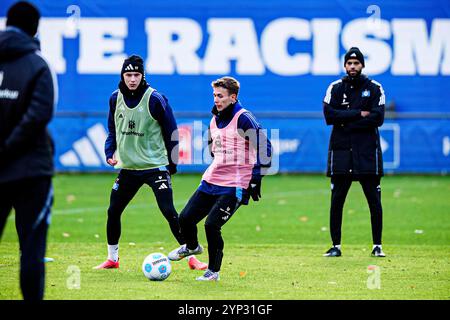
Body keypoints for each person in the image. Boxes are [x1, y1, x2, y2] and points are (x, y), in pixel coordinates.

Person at [93, 54, 206, 270]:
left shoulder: (155, 99)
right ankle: (112, 259)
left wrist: (172, 164)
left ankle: (192, 256)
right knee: (113, 211)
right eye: (128, 74)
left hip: (155, 167)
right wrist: (110, 152)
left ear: (143, 75)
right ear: (122, 76)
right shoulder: (114, 98)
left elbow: (171, 132)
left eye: (136, 74)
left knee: (169, 211)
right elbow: (112, 129)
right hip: (128, 168)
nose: (132, 79)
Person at [168, 76, 272, 281]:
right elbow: (214, 147)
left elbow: (265, 147)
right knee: (185, 219)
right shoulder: (215, 118)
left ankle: (213, 272)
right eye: (215, 95)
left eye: (221, 96)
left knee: (212, 225)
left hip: (236, 184)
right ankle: (191, 247)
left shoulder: (243, 117)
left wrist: (256, 177)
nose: (216, 99)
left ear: (233, 97)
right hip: (212, 179)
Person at [0, 1, 57, 300]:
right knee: (32, 250)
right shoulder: (38, 65)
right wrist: (8, 148)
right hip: (31, 171)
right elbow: (38, 116)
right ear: (35, 28)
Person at [322, 47, 386, 257]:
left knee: (374, 202)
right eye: (349, 63)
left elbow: (378, 118)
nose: (352, 67)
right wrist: (358, 114)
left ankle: (377, 246)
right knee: (336, 201)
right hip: (342, 154)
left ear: (362, 65)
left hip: (367, 154)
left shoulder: (374, 88)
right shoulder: (335, 88)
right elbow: (329, 115)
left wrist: (346, 121)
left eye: (356, 63)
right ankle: (336, 246)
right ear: (344, 65)